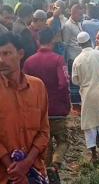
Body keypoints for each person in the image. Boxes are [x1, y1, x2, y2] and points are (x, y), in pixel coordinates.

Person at [0, 32, 50, 184]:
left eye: (6, 53)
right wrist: (14, 169)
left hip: (34, 171)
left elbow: (44, 131)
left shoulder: (37, 86)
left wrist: (27, 163)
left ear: (20, 53)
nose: (1, 60)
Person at [23, 28, 70, 181]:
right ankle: (55, 164)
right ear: (53, 40)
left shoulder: (29, 62)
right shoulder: (58, 59)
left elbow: (23, 86)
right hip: (57, 109)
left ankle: (47, 173)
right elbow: (64, 84)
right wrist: (66, 105)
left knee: (45, 143)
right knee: (63, 141)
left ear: (38, 40)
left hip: (37, 112)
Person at [72, 31, 99, 163]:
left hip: (87, 94)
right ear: (90, 41)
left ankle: (93, 155)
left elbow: (75, 80)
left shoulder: (77, 60)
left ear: (79, 44)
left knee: (89, 124)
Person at [62, 4, 84, 109]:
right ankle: (75, 106)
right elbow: (65, 44)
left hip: (80, 57)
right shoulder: (68, 26)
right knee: (74, 83)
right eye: (80, 14)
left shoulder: (78, 23)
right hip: (72, 58)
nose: (81, 16)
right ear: (73, 13)